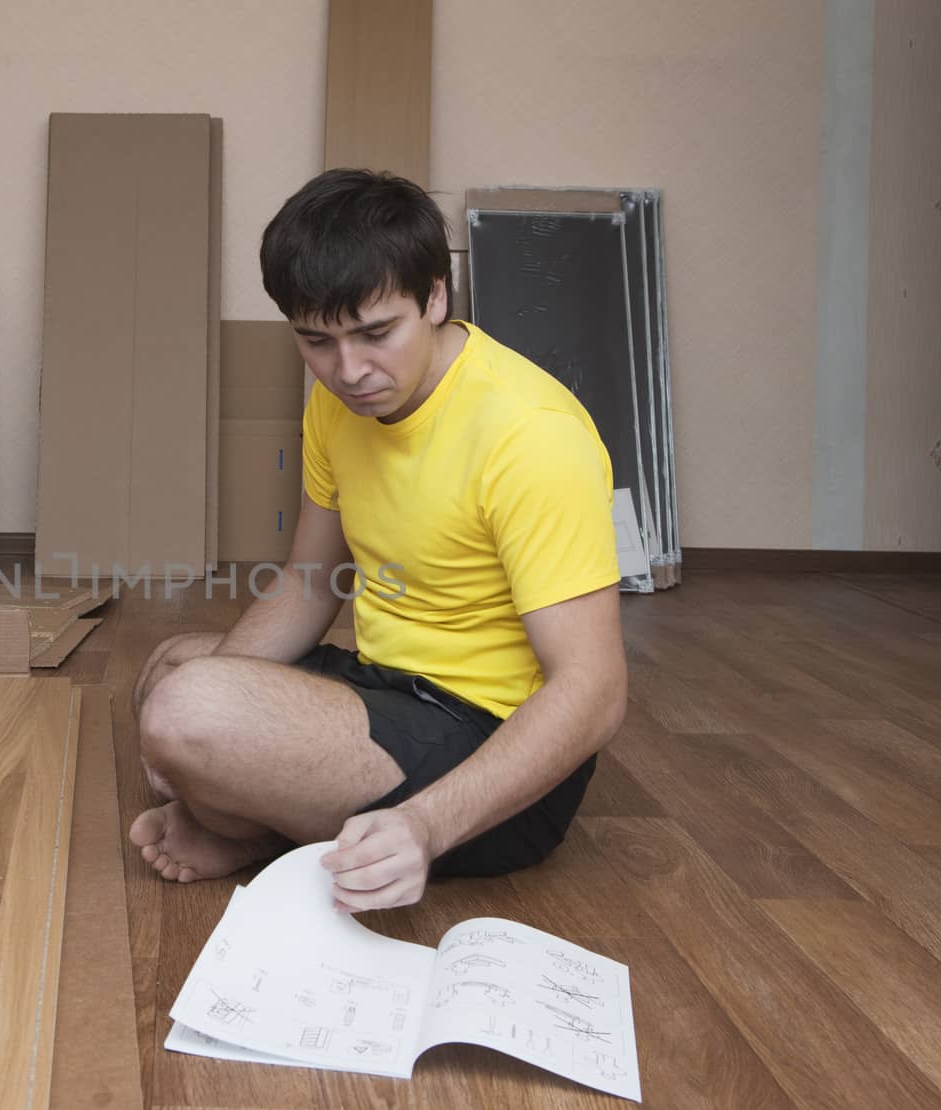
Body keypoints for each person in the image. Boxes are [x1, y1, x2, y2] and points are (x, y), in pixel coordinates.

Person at [126, 168, 628, 913]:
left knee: (185, 713)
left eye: (375, 333)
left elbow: (594, 692)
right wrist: (212, 724)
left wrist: (424, 826)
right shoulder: (340, 405)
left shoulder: (531, 435)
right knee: (173, 672)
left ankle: (265, 827)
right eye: (317, 341)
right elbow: (308, 582)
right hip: (390, 690)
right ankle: (267, 815)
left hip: (493, 749)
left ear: (435, 296)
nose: (350, 370)